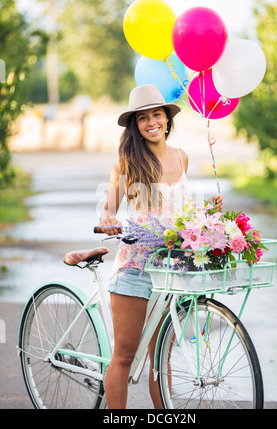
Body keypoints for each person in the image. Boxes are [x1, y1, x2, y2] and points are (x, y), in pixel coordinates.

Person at [97, 84, 223, 409]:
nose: (151, 122)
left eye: (157, 114)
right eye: (143, 117)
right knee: (124, 357)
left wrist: (209, 212)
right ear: (135, 125)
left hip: (170, 269)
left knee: (159, 359)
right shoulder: (127, 162)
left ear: (167, 119)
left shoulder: (182, 157)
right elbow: (108, 208)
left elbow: (181, 213)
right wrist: (108, 218)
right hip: (135, 269)